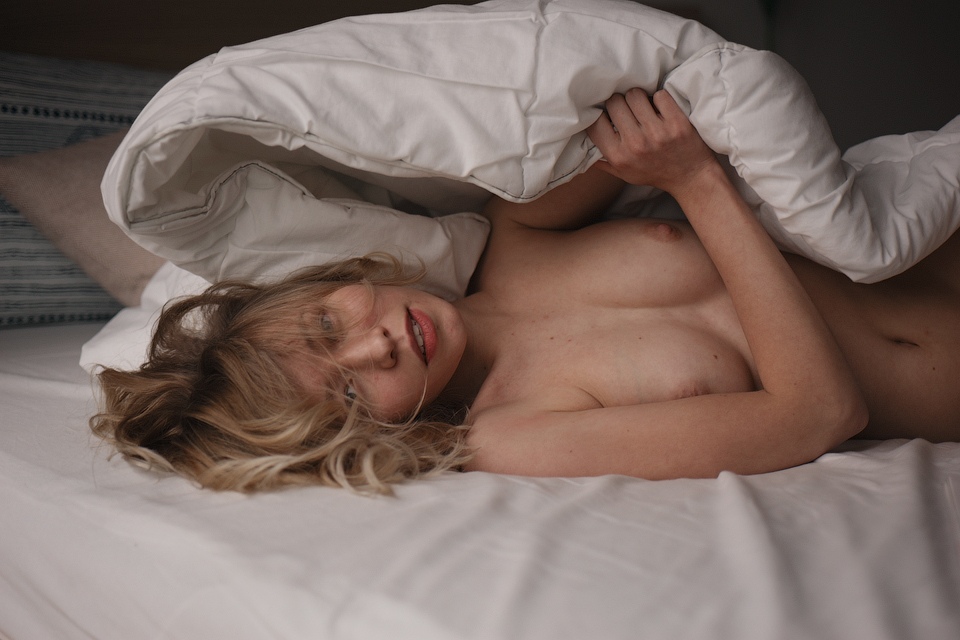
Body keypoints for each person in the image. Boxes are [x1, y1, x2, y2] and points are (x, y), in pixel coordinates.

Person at [91, 89, 960, 494]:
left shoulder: (518, 235)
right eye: (350, 391)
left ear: (335, 279)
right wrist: (696, 185)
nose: (375, 345)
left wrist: (685, 153)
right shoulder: (517, 436)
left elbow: (648, 95)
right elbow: (818, 414)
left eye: (327, 325)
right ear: (366, 433)